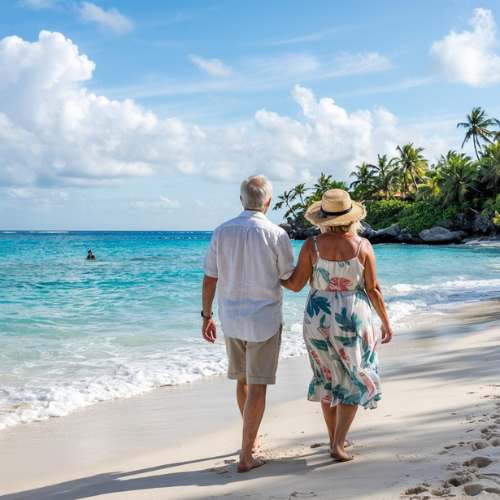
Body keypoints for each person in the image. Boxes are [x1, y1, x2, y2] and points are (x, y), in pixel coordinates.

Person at [281, 188, 393, 462]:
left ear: (323, 218)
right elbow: (374, 289)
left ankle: (334, 439)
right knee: (354, 377)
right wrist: (386, 322)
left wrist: (271, 274)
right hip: (353, 318)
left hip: (317, 318)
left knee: (327, 378)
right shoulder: (363, 246)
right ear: (351, 216)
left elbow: (295, 285)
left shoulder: (312, 245)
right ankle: (338, 443)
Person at [202, 175, 295, 472]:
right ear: (268, 202)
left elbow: (210, 276)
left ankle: (249, 441)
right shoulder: (276, 234)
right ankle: (247, 454)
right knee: (257, 386)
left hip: (231, 318)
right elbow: (289, 279)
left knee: (242, 381)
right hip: (264, 319)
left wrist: (206, 315)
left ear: (242, 200)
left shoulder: (222, 231)